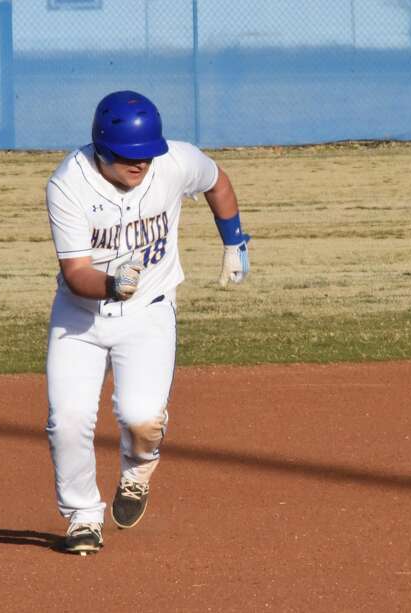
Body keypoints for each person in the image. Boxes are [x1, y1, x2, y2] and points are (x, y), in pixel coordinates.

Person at [44, 90, 250, 555]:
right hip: (80, 317)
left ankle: (137, 471)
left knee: (141, 418)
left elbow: (217, 182)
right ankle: (82, 516)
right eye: (128, 155)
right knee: (68, 421)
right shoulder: (68, 184)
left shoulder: (175, 161)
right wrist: (112, 284)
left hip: (149, 312)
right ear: (102, 149)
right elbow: (76, 274)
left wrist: (234, 241)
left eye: (147, 153)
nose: (140, 163)